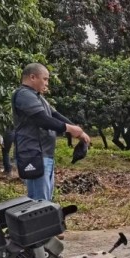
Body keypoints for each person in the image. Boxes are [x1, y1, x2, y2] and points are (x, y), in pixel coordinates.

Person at [12, 63, 90, 201]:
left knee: (45, 201)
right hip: (33, 154)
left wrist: (79, 133)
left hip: (44, 154)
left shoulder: (38, 98)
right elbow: (42, 120)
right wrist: (70, 129)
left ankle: (43, 222)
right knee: (39, 202)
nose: (47, 83)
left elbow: (55, 116)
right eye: (45, 79)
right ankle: (37, 223)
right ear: (32, 77)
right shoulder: (24, 94)